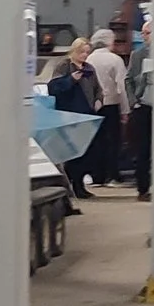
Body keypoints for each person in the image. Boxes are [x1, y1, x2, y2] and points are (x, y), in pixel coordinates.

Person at [47, 39, 101, 199]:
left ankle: (80, 184)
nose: (85, 55)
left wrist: (99, 100)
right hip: (68, 115)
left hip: (87, 114)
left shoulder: (90, 69)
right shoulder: (64, 66)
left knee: (86, 153)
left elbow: (98, 89)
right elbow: (53, 88)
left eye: (87, 52)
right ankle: (70, 185)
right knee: (71, 154)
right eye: (82, 52)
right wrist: (71, 80)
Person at [86, 27, 128, 186]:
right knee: (113, 141)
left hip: (93, 106)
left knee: (96, 140)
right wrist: (125, 110)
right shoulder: (115, 60)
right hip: (111, 104)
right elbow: (122, 87)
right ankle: (113, 176)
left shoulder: (89, 59)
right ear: (110, 42)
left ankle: (97, 176)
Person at [128, 19, 154, 200]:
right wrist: (133, 101)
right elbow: (128, 78)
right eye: (143, 33)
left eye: (147, 33)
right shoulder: (137, 55)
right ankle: (143, 188)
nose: (143, 37)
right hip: (143, 106)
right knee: (143, 149)